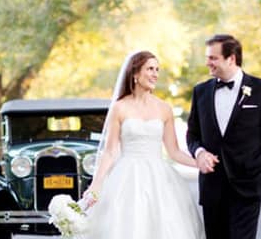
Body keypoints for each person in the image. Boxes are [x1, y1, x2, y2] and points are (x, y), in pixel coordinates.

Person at [83, 51, 205, 239]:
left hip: (160, 179)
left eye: (157, 69)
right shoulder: (120, 108)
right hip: (126, 177)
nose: (155, 74)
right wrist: (96, 185)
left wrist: (200, 163)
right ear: (135, 74)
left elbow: (174, 152)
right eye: (150, 69)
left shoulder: (164, 108)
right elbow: (110, 152)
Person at [187, 34, 261, 239]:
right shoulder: (201, 92)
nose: (208, 63)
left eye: (213, 58)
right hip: (212, 186)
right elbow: (193, 134)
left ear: (231, 58)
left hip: (247, 186)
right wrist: (199, 152)